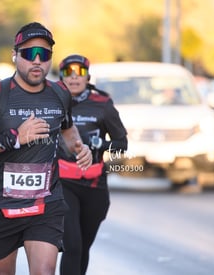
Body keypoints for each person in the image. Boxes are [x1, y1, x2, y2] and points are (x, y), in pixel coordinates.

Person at [0, 22, 93, 275]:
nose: (38, 61)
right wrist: (14, 138)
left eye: (45, 54)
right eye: (30, 54)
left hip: (46, 205)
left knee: (44, 271)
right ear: (15, 55)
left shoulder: (60, 93)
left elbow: (67, 129)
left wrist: (79, 147)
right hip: (1, 206)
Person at [57, 54, 128, 275]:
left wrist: (100, 144)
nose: (74, 77)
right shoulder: (53, 101)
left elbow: (121, 144)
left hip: (94, 185)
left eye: (80, 72)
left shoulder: (103, 104)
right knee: (72, 246)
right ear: (61, 77)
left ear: (88, 76)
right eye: (69, 72)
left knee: (83, 247)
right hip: (63, 183)